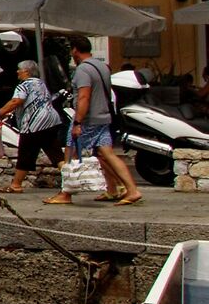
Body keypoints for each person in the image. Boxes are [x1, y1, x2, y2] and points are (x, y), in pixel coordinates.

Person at [47, 38, 143, 206]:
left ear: (75, 50)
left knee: (70, 155)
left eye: (72, 50)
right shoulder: (102, 67)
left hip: (87, 119)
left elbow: (84, 97)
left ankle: (65, 194)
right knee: (108, 154)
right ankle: (128, 190)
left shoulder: (83, 70)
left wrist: (77, 123)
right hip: (103, 117)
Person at [0, 58, 64, 194]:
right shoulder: (40, 83)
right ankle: (70, 180)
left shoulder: (24, 85)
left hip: (34, 124)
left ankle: (16, 185)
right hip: (51, 121)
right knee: (55, 153)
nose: (17, 72)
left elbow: (16, 101)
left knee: (25, 153)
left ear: (26, 71)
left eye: (19, 69)